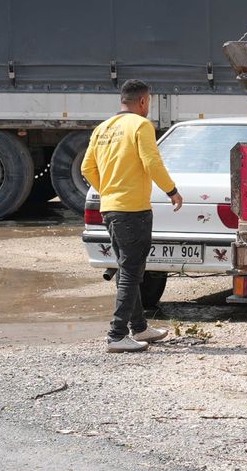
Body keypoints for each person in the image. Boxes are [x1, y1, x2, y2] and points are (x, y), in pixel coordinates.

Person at [81, 80, 184, 353]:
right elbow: (152, 162)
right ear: (143, 101)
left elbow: (86, 168)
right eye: (149, 102)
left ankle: (139, 327)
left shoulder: (103, 128)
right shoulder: (141, 125)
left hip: (110, 208)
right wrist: (172, 191)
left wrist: (108, 191)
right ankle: (117, 335)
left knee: (128, 267)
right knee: (131, 271)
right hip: (133, 210)